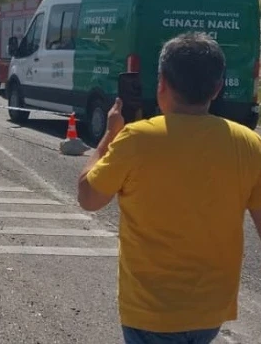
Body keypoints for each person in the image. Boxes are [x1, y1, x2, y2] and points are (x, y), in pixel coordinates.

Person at [77, 32, 261, 344]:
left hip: (151, 313)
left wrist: (108, 136)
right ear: (217, 88)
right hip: (210, 312)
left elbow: (88, 197)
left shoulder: (135, 138)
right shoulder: (248, 143)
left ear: (161, 82)